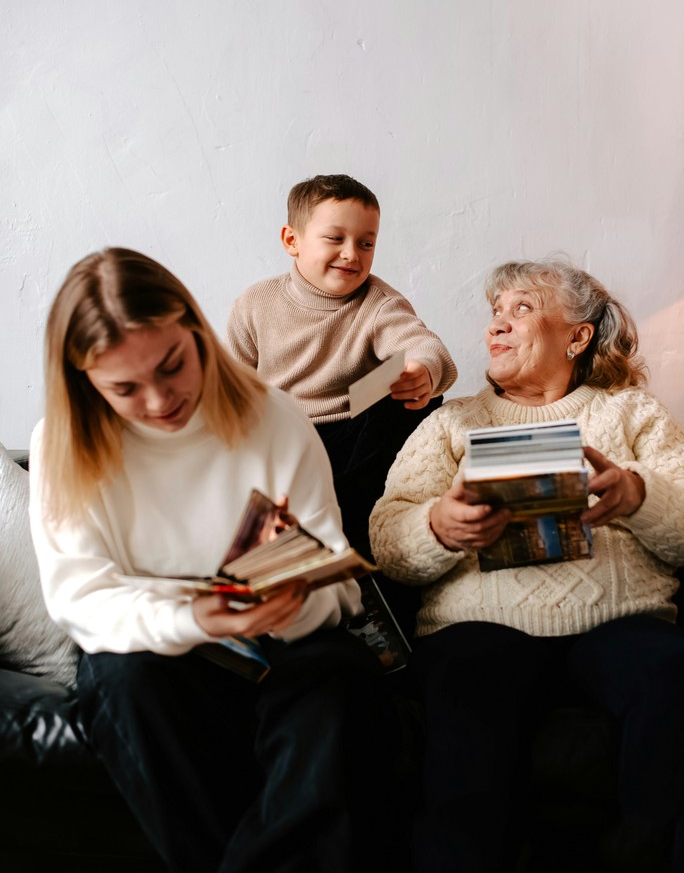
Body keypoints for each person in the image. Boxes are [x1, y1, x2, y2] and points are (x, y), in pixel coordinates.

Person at [29, 247, 407, 873]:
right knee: (123, 679)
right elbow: (81, 597)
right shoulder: (61, 445)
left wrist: (291, 599)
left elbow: (337, 582)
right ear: (84, 382)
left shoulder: (273, 417)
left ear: (196, 333)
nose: (158, 402)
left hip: (284, 643)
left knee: (338, 684)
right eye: (124, 388)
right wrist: (202, 618)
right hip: (160, 649)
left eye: (172, 367)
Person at [369, 257, 684, 873]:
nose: (496, 327)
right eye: (494, 313)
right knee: (466, 707)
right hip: (481, 627)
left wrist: (637, 494)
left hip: (620, 620)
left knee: (671, 676)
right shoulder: (452, 421)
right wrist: (439, 525)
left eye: (521, 309)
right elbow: (387, 535)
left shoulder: (631, 413)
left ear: (577, 335)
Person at [225, 173, 457, 633]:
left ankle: (350, 546)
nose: (352, 254)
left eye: (367, 243)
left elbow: (422, 345)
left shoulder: (378, 303)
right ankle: (300, 555)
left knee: (416, 406)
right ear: (292, 240)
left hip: (353, 442)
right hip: (284, 441)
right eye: (336, 238)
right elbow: (230, 387)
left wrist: (421, 372)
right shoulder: (256, 304)